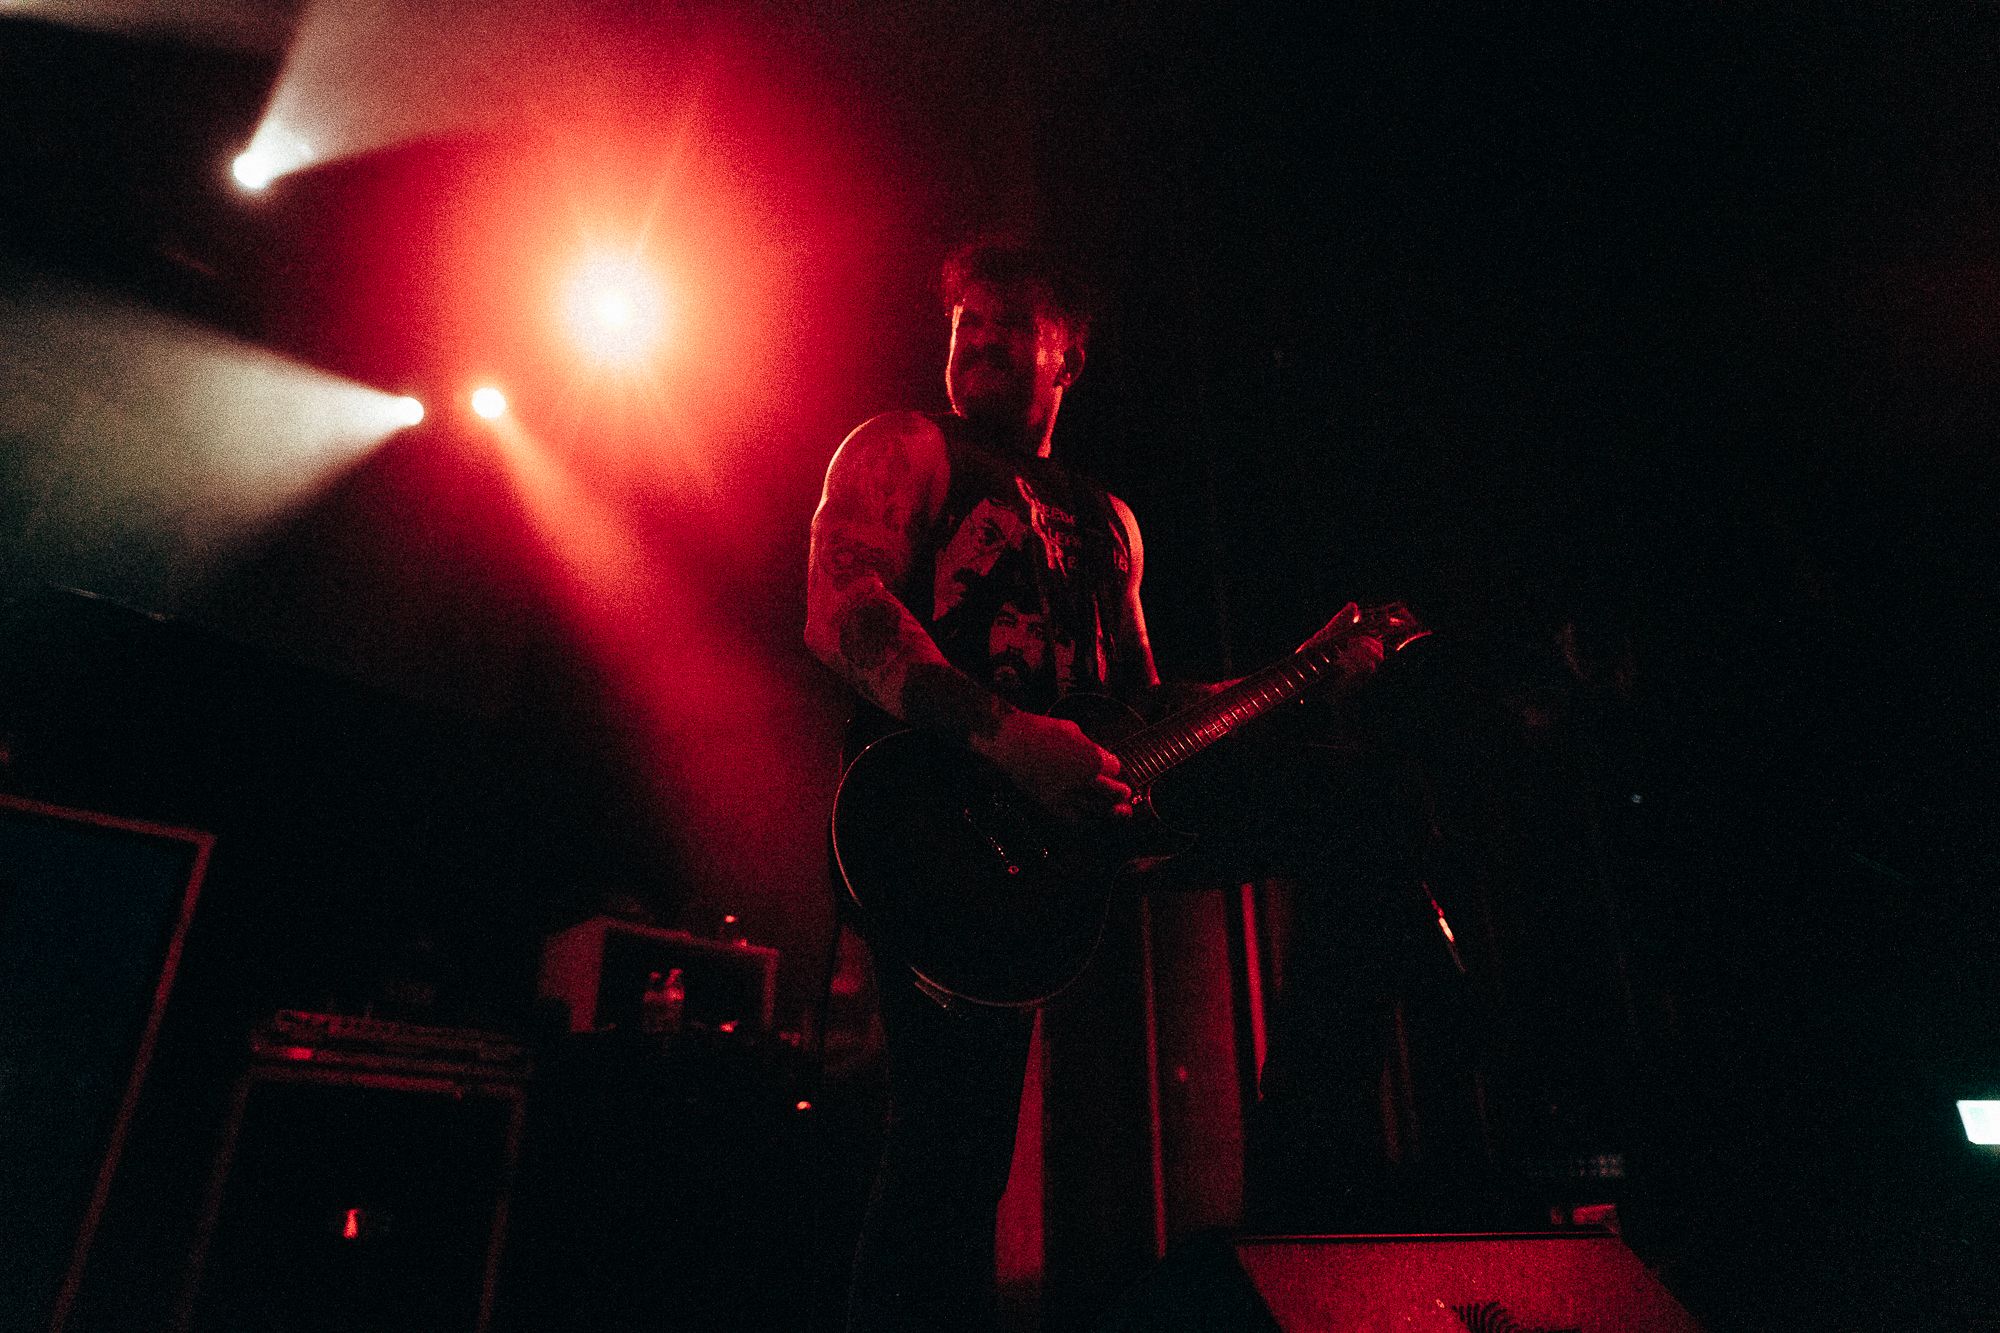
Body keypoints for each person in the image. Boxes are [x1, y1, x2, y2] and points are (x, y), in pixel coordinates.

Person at [804, 236, 1384, 1332]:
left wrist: (1299, 673)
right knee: (950, 1155)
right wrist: (1009, 737)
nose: (978, 338)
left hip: (1081, 827)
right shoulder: (905, 447)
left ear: (1067, 357)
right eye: (965, 322)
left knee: (1356, 807)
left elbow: (1145, 707)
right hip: (942, 827)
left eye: (1008, 323)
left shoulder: (1111, 522)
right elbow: (842, 611)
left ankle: (1305, 1169)